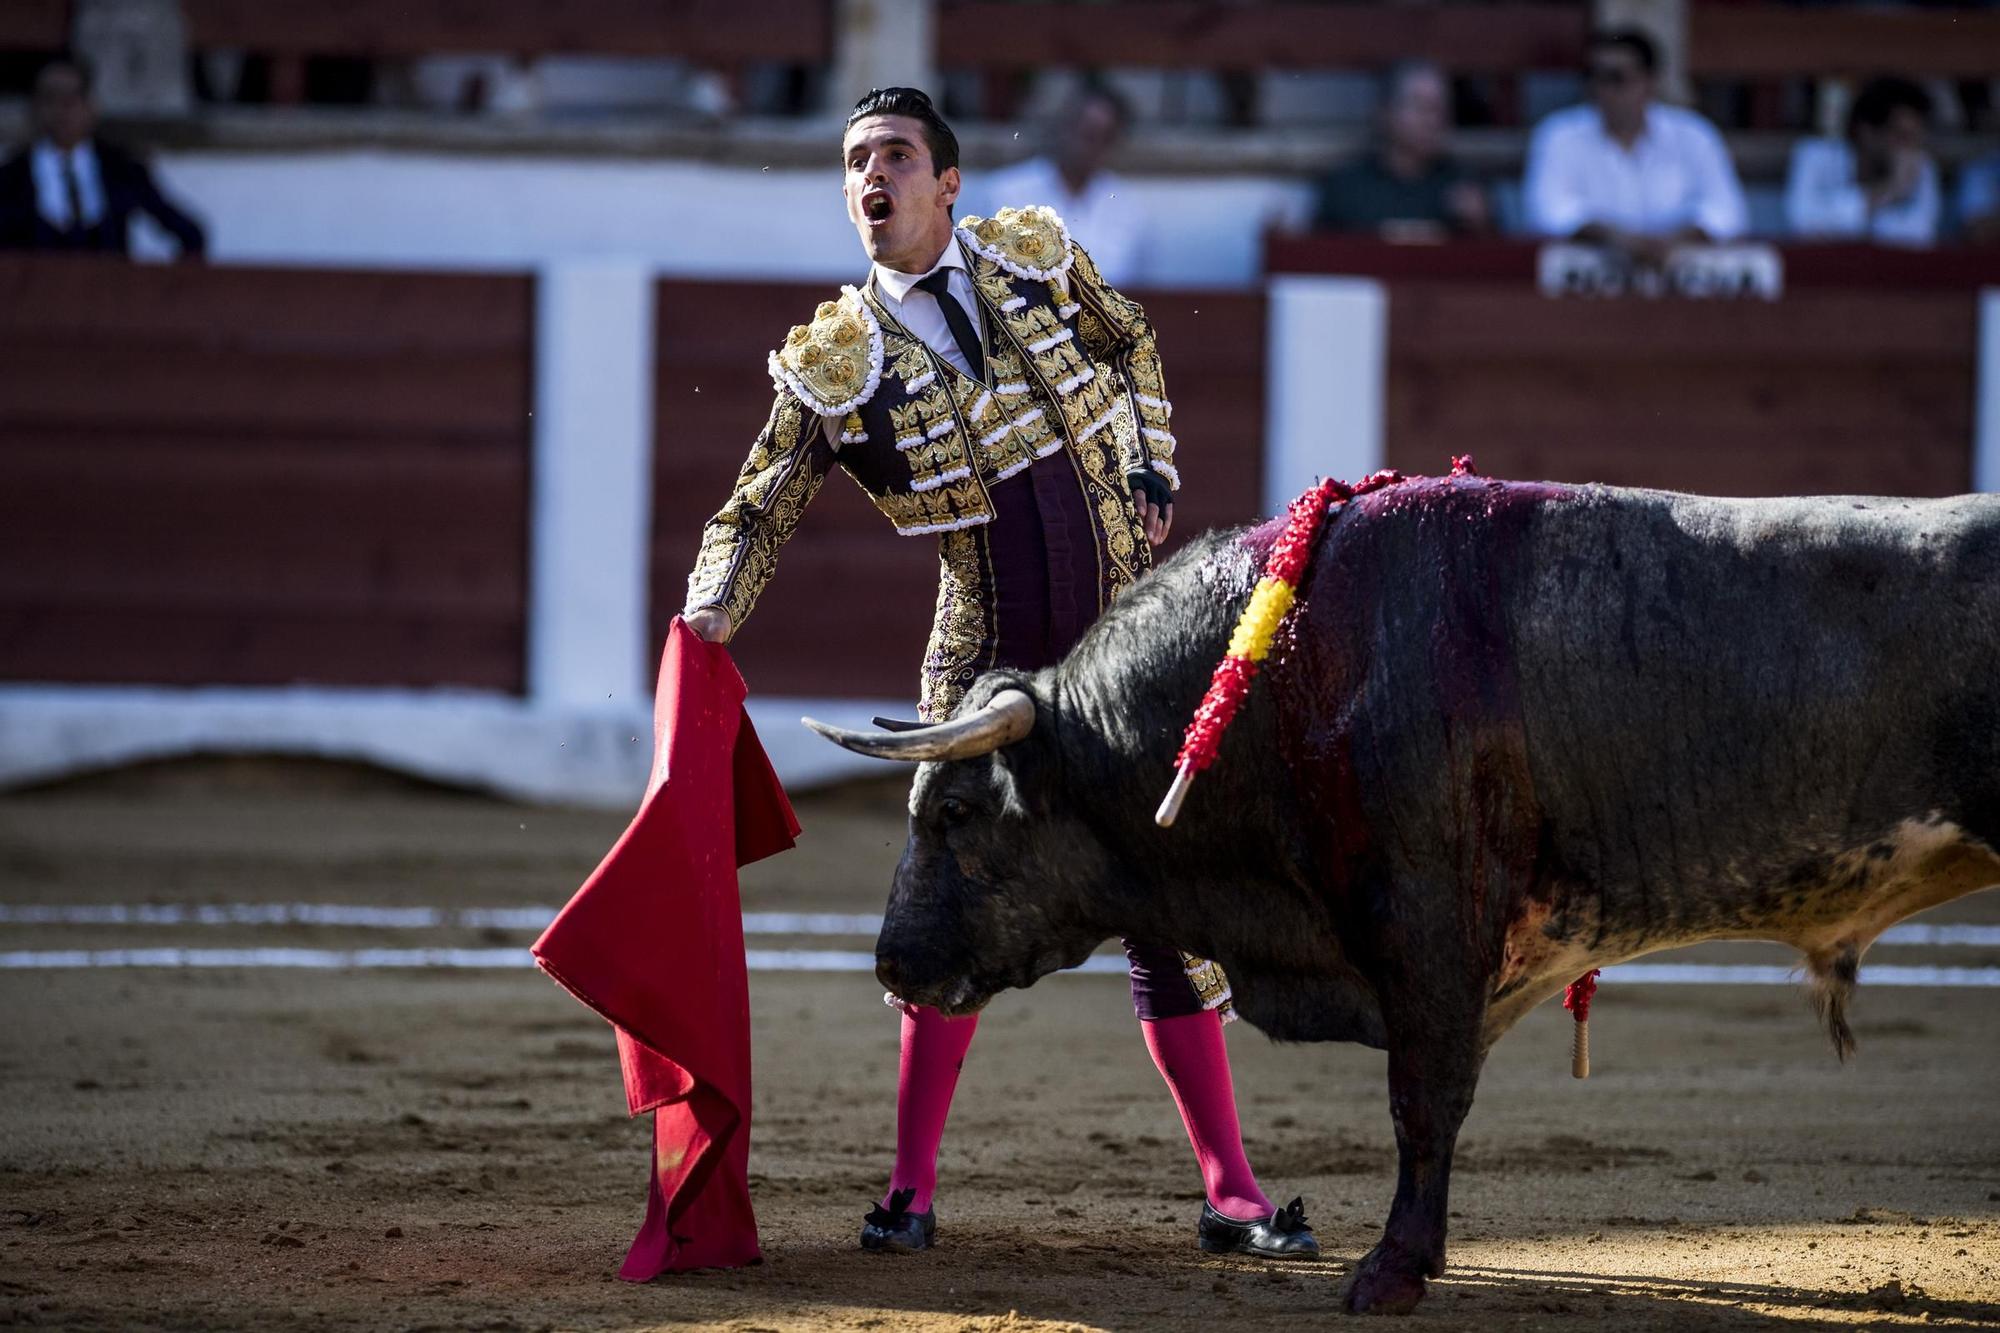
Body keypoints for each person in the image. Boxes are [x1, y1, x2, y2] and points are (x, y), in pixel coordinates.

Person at [683, 87, 1317, 1262]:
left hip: (1122, 660)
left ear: (947, 183)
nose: (870, 177)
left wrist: (1153, 462)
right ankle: (907, 1192)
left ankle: (1231, 1196)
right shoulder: (837, 357)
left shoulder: (1032, 258)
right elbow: (756, 505)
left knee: (1169, 919)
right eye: (854, 161)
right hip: (982, 672)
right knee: (950, 917)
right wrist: (711, 606)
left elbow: (1128, 339)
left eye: (894, 156)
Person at [1523, 28, 1747, 264]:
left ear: (1649, 82)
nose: (1602, 89)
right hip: (1589, 277)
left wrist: (1674, 240)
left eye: (1616, 78)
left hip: (1681, 270)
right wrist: (1615, 238)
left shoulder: (1694, 135)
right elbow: (1549, 212)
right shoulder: (1559, 135)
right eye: (1594, 77)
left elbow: (1728, 213)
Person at [0, 55, 207, 257]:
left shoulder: (122, 169)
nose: (62, 109)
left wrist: (166, 280)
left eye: (72, 98)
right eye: (50, 97)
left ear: (91, 105)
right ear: (35, 107)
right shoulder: (11, 178)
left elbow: (190, 235)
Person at [977, 80, 1147, 287]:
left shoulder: (1129, 206)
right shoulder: (1006, 192)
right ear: (1063, 127)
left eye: (1103, 137)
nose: (1089, 146)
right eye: (1085, 132)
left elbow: (1137, 288)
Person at [1312, 60, 1488, 239]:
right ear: (1385, 112)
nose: (1432, 120)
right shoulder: (1346, 188)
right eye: (1421, 107)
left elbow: (1493, 250)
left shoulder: (1464, 183)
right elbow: (1319, 251)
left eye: (1439, 108)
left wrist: (1478, 225)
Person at [1785, 77, 1940, 247]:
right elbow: (1804, 221)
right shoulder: (1816, 154)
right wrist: (1889, 191)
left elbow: (1920, 233)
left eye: (1915, 137)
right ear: (1867, 132)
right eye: (1901, 136)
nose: (1908, 147)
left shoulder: (1920, 164)